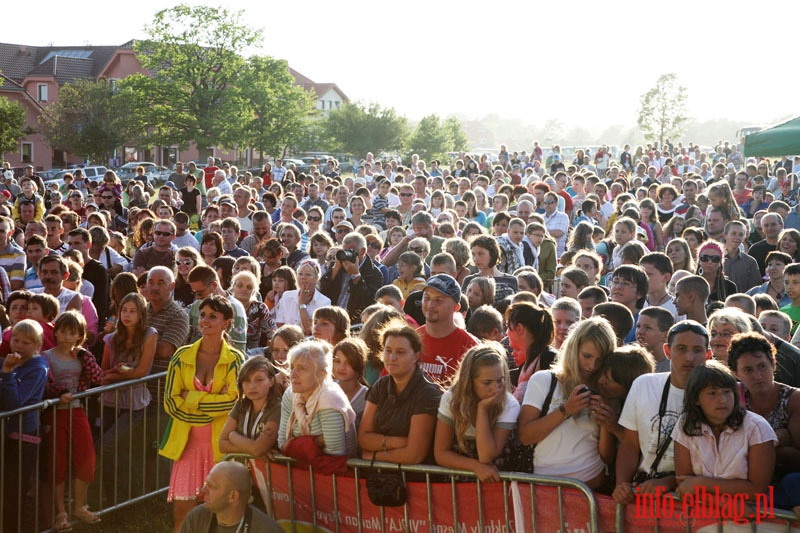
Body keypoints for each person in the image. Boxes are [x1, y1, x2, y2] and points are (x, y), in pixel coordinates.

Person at [160, 295, 244, 533]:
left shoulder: (235, 360)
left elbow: (233, 402)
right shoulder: (181, 355)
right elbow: (170, 402)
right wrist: (209, 408)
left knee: (220, 518)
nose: (205, 320)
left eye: (213, 317)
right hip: (186, 448)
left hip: (220, 449)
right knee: (182, 516)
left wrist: (192, 398)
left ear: (226, 322)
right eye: (203, 315)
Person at [613, 320, 711, 505]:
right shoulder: (643, 384)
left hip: (692, 500)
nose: (689, 357)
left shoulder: (718, 396)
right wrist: (622, 485)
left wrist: (668, 482)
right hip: (642, 492)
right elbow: (629, 444)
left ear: (708, 354)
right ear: (667, 351)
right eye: (681, 349)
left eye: (697, 350)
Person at [517, 317, 617, 488]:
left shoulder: (606, 389)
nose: (592, 365)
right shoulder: (544, 380)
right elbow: (525, 436)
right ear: (573, 349)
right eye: (587, 356)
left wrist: (608, 424)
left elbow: (607, 457)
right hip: (544, 487)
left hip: (591, 487)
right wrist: (566, 410)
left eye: (600, 360)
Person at [673, 361, 776, 500]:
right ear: (696, 399)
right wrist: (724, 503)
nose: (722, 400)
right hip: (701, 515)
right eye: (712, 393)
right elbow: (684, 483)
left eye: (727, 392)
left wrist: (701, 484)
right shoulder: (686, 424)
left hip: (747, 517)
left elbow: (757, 489)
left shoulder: (756, 427)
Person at [43, 311, 104, 531]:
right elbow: (46, 384)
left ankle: (79, 506)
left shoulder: (83, 355)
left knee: (86, 458)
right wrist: (60, 392)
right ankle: (61, 512)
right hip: (55, 413)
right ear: (56, 332)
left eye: (73, 333)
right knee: (57, 462)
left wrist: (85, 356)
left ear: (80, 335)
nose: (68, 337)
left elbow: (97, 378)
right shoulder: (46, 357)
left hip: (77, 412)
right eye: (64, 332)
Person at [434, 342, 521, 481]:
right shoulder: (451, 399)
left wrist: (482, 410)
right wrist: (475, 466)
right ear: (469, 382)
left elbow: (486, 456)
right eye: (487, 383)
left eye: (500, 380)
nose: (496, 389)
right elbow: (440, 453)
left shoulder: (509, 404)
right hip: (458, 483)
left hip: (497, 483)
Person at [359, 319, 443, 464]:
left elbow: (414, 455)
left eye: (401, 352)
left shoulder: (428, 393)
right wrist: (396, 442)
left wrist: (372, 456)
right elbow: (363, 438)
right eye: (388, 350)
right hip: (380, 478)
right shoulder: (380, 385)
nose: (392, 358)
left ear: (416, 356)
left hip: (418, 481)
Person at [98, 293, 157, 494]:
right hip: (109, 401)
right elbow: (101, 374)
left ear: (141, 314)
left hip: (134, 403)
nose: (127, 315)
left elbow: (141, 372)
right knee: (109, 448)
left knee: (110, 445)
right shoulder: (111, 339)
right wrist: (115, 373)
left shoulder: (150, 334)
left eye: (132, 311)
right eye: (124, 310)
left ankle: (125, 495)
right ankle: (111, 495)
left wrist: (116, 375)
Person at [0, 319, 47, 533]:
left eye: (26, 343)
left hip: (23, 436)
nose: (18, 346)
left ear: (37, 344)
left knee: (14, 489)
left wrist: (8, 373)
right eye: (16, 340)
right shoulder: (6, 360)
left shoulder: (38, 367)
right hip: (5, 432)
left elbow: (15, 402)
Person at [278, 340, 357, 456]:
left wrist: (298, 445)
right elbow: (282, 443)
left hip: (333, 472)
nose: (293, 374)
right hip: (303, 470)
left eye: (302, 369)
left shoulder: (329, 400)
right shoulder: (290, 395)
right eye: (292, 367)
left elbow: (335, 455)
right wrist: (317, 441)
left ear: (322, 375)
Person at [180, 461, 282, 533]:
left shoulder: (265, 529)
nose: (203, 490)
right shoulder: (198, 516)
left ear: (233, 496)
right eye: (206, 484)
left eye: (212, 487)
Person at [417, 274, 479, 385]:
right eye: (427, 298)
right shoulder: (411, 339)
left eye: (439, 300)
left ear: (456, 308)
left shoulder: (470, 347)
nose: (431, 304)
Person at [219, 356, 284, 458]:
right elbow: (222, 444)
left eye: (259, 380)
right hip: (241, 468)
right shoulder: (241, 404)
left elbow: (258, 450)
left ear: (271, 381)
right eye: (246, 380)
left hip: (265, 471)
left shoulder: (278, 408)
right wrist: (251, 450)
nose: (252, 386)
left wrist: (232, 436)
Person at [319, 231, 383, 324]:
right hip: (331, 318)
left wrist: (356, 275)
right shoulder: (337, 266)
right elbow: (321, 290)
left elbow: (369, 301)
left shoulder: (374, 273)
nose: (347, 254)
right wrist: (335, 269)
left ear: (363, 251)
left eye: (352, 251)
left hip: (354, 322)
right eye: (345, 250)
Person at [505, 302, 558, 400]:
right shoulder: (526, 362)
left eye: (508, 326)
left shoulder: (549, 357)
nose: (506, 332)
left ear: (519, 328)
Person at [274, 260, 331, 335]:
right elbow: (280, 323)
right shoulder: (287, 296)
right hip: (287, 340)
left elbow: (312, 331)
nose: (303, 277)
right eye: (300, 274)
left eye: (308, 274)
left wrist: (302, 304)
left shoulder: (324, 302)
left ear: (317, 278)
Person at [230, 270, 275, 352]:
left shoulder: (260, 308)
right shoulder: (225, 305)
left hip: (251, 354)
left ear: (254, 291)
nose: (244, 289)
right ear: (233, 287)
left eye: (249, 287)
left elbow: (272, 333)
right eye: (240, 285)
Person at [332, 338, 370, 425]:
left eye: (348, 362)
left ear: (358, 364)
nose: (341, 367)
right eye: (337, 361)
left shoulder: (367, 397)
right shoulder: (327, 388)